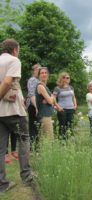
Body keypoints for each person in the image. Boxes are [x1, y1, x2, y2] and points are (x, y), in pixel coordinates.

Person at [0, 38, 32, 192]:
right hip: (13, 110)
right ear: (14, 50)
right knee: (24, 139)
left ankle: (2, 184)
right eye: (18, 50)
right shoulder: (14, 60)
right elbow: (7, 82)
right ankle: (27, 177)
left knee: (0, 148)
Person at [53, 72, 77, 139]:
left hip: (71, 109)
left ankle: (69, 140)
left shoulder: (71, 87)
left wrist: (75, 105)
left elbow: (73, 97)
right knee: (62, 126)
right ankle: (62, 141)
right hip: (62, 109)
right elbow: (53, 99)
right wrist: (58, 107)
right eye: (64, 77)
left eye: (67, 78)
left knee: (69, 126)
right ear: (61, 78)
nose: (66, 79)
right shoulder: (57, 88)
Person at [35, 67, 55, 139]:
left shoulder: (45, 86)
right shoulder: (40, 86)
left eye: (46, 73)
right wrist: (51, 98)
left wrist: (50, 99)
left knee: (46, 139)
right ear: (39, 75)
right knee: (48, 139)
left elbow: (52, 100)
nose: (44, 74)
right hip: (44, 116)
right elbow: (51, 100)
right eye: (42, 73)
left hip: (47, 115)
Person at [27, 64, 41, 148]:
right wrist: (36, 107)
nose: (39, 71)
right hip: (33, 106)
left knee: (37, 126)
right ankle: (32, 147)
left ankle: (37, 146)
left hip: (38, 106)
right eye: (37, 70)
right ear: (34, 70)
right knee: (33, 126)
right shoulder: (32, 80)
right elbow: (32, 94)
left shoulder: (39, 80)